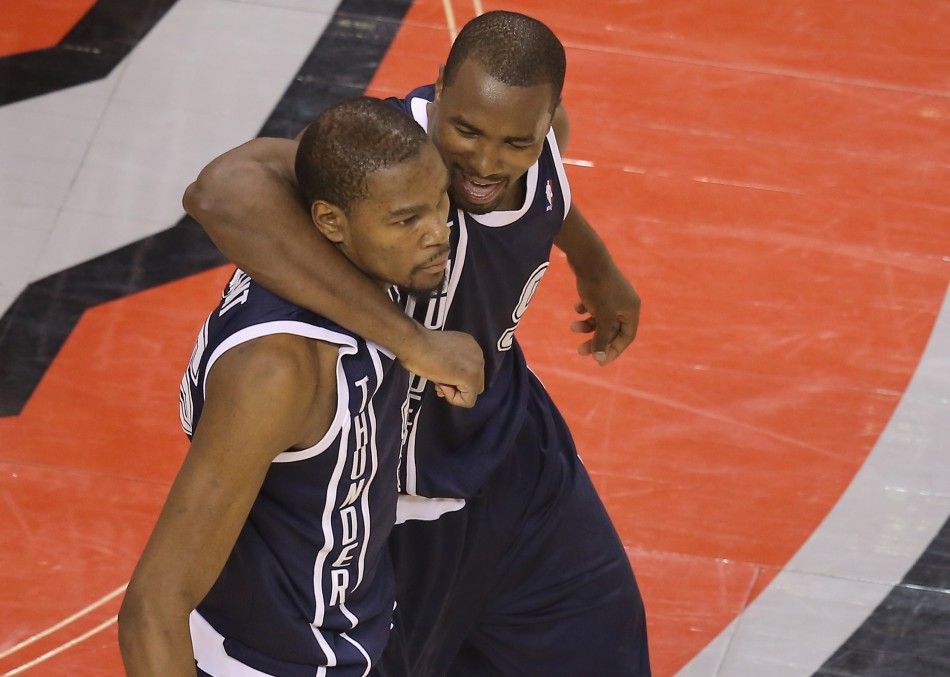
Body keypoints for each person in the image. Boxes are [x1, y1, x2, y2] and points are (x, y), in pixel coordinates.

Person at [184, 11, 650, 675]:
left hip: (514, 450)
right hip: (400, 502)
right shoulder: (393, 166)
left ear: (549, 120)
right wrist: (413, 340)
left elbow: (547, 193)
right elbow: (220, 191)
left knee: (604, 647)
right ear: (438, 100)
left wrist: (596, 262)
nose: (484, 162)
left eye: (516, 140)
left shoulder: (538, 144)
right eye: (464, 130)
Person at [117, 97, 481, 676]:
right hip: (274, 658)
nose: (438, 232)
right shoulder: (278, 370)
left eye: (440, 201)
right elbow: (151, 609)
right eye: (407, 218)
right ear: (330, 221)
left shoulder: (330, 247)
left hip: (347, 629)